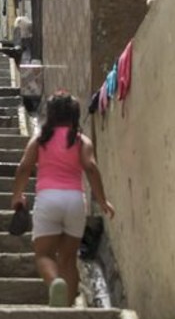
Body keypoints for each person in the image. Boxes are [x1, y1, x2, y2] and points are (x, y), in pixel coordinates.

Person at [11, 91, 116, 307]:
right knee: (68, 258)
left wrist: (17, 195)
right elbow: (92, 168)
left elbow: (23, 167)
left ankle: (55, 282)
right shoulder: (81, 141)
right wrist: (102, 200)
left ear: (50, 114)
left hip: (48, 199)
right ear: (74, 115)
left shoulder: (40, 139)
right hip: (75, 201)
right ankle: (67, 307)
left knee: (44, 255)